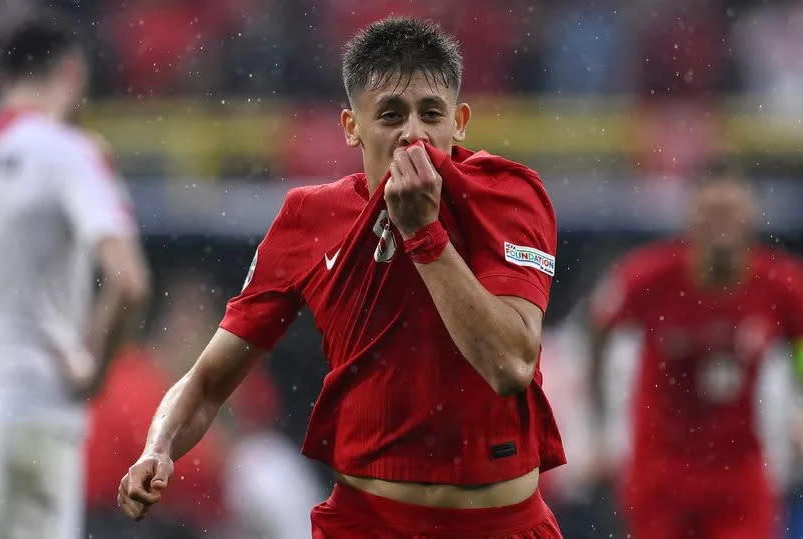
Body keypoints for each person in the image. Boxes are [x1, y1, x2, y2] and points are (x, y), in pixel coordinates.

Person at [118, 17, 565, 537]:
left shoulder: (508, 198)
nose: (413, 134)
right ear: (352, 126)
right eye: (391, 115)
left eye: (431, 113)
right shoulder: (308, 219)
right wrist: (159, 448)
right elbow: (208, 382)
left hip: (502, 524)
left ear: (459, 121)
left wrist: (423, 235)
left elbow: (509, 363)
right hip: (367, 523)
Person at [0, 14, 150, 539]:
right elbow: (128, 281)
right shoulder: (70, 151)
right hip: (35, 405)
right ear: (70, 71)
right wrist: (95, 371)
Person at [588, 170, 803, 539]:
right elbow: (595, 333)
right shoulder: (647, 277)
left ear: (751, 216)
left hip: (739, 471)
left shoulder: (781, 283)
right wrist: (598, 426)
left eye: (730, 211)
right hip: (660, 472)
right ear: (691, 217)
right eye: (711, 211)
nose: (721, 223)